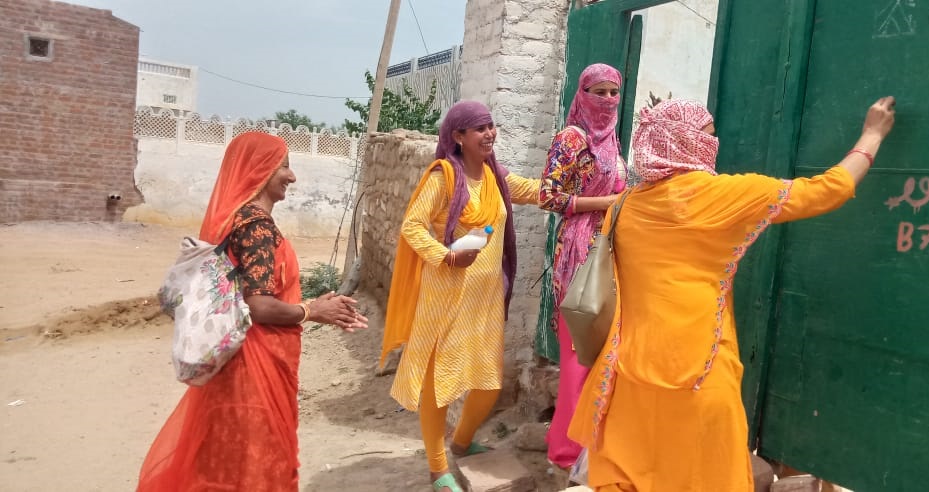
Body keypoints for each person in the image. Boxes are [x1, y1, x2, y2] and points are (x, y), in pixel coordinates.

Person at [568, 97, 897, 491]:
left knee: (634, 474)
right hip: (699, 374)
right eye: (707, 136)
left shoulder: (625, 204)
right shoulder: (723, 195)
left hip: (627, 373)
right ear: (687, 143)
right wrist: (872, 134)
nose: (714, 144)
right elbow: (828, 190)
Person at [138, 132, 368, 491]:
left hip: (239, 362)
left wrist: (311, 305)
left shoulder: (235, 220)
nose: (292, 176)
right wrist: (312, 310)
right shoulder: (256, 225)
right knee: (256, 462)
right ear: (259, 169)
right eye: (283, 166)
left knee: (226, 458)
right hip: (252, 366)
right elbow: (258, 305)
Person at [380, 100, 540, 492]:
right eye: (479, 128)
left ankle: (463, 443)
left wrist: (577, 188)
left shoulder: (495, 175)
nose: (489, 134)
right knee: (440, 385)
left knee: (488, 382)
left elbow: (532, 190)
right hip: (447, 296)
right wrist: (447, 256)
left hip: (485, 300)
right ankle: (437, 469)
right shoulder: (444, 177)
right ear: (458, 136)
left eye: (491, 125)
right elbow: (412, 227)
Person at [537, 63, 628, 470]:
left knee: (600, 348)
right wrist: (603, 204)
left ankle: (582, 438)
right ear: (583, 94)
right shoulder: (571, 138)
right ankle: (566, 451)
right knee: (577, 348)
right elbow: (548, 196)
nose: (607, 100)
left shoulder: (612, 140)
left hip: (608, 249)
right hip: (578, 251)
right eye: (599, 92)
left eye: (613, 92)